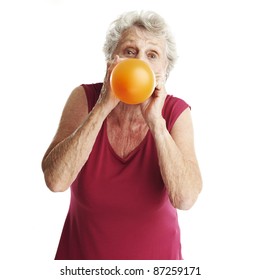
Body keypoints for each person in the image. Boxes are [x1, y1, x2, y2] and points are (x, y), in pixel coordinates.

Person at [41, 10, 202, 260]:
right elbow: (55, 181)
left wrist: (156, 123)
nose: (139, 62)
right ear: (111, 60)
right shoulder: (85, 98)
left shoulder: (175, 112)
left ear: (164, 69)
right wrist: (103, 106)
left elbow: (185, 199)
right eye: (130, 51)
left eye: (152, 55)